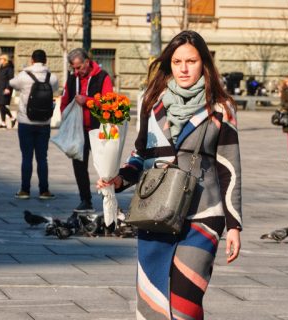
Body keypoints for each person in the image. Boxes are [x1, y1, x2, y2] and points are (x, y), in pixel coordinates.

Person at [97, 30, 242, 319]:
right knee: (152, 303)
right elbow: (141, 154)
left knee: (186, 302)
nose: (184, 68)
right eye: (177, 62)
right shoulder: (152, 102)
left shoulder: (220, 107)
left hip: (203, 215)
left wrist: (234, 224)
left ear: (204, 63)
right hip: (155, 211)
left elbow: (230, 168)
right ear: (169, 64)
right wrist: (118, 179)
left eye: (191, 61)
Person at [60, 48, 113, 213]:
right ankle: (85, 200)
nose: (76, 71)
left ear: (87, 62)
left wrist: (88, 101)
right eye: (73, 68)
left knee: (104, 167)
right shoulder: (72, 78)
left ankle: (108, 199)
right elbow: (65, 100)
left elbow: (108, 102)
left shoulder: (103, 76)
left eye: (78, 67)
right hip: (78, 130)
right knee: (79, 166)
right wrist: (65, 118)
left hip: (100, 129)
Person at [9, 50, 59, 199]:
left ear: (32, 60)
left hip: (26, 121)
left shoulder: (24, 76)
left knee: (26, 157)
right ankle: (44, 191)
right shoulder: (52, 77)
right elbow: (55, 89)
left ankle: (25, 190)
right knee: (42, 158)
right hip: (44, 123)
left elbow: (12, 83)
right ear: (46, 61)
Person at [0, 54, 16, 129]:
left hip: (5, 89)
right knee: (0, 105)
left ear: (5, 59)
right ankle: (4, 123)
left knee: (2, 105)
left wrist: (8, 88)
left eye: (1, 59)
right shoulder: (1, 67)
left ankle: (11, 118)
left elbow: (11, 79)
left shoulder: (9, 68)